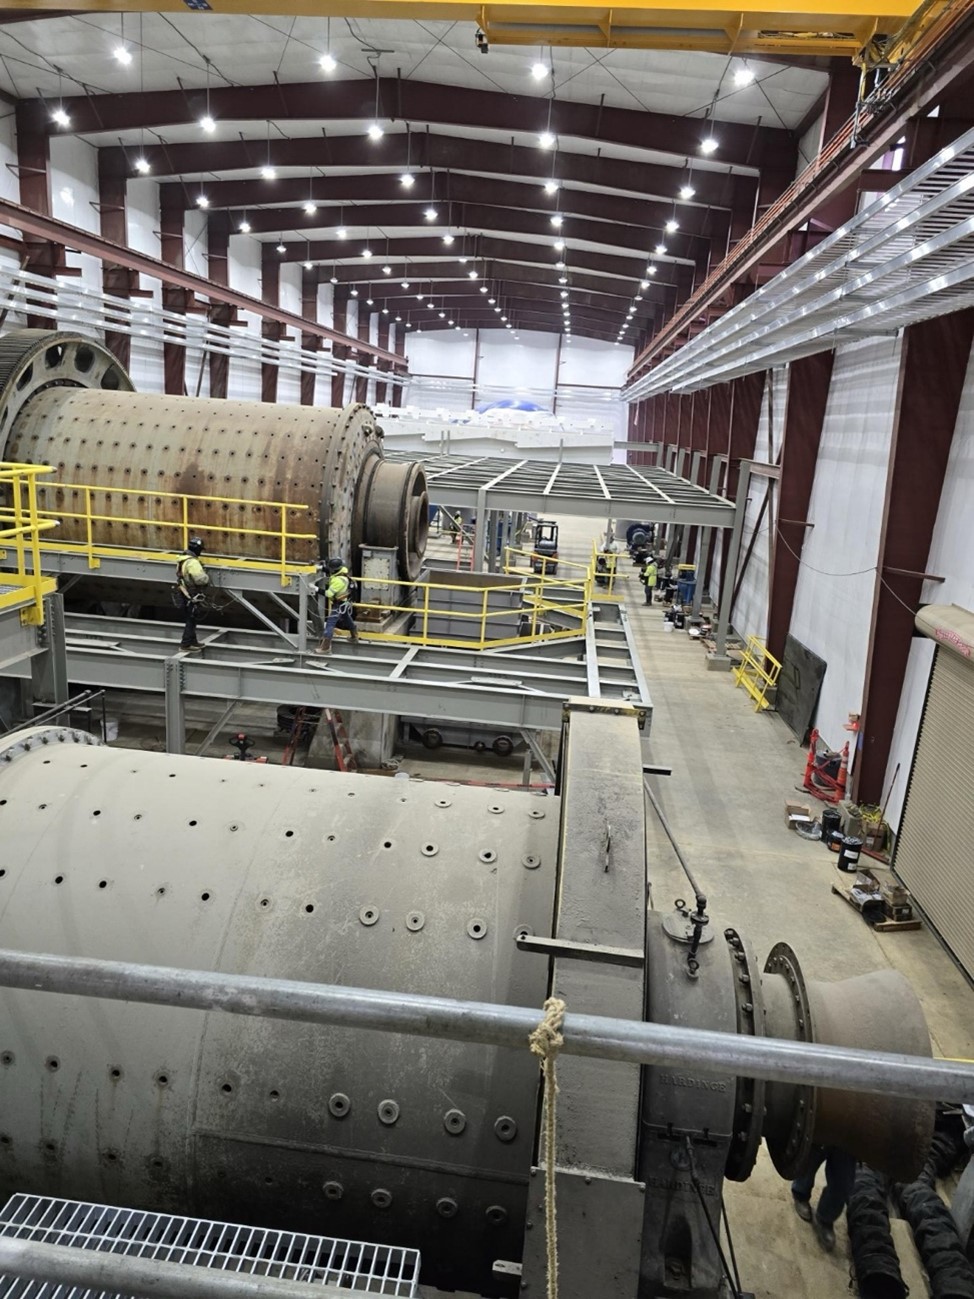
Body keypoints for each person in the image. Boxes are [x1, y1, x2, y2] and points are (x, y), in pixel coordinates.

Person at [791, 1146, 857, 1251]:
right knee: (810, 1158)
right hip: (822, 1133)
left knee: (843, 1181)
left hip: (851, 1139)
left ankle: (826, 1217)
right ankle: (800, 1194)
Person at [314, 556, 359, 655]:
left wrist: (316, 589)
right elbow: (331, 572)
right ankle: (354, 636)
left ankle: (325, 648)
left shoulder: (338, 581)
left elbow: (329, 594)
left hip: (339, 605)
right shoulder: (341, 572)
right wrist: (321, 568)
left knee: (330, 624)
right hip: (344, 603)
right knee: (347, 618)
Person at [175, 538, 209, 653]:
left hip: (184, 592)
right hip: (191, 594)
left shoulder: (182, 560)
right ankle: (185, 644)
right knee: (191, 618)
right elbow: (201, 580)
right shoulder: (193, 562)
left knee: (191, 617)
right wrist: (206, 576)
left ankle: (193, 641)